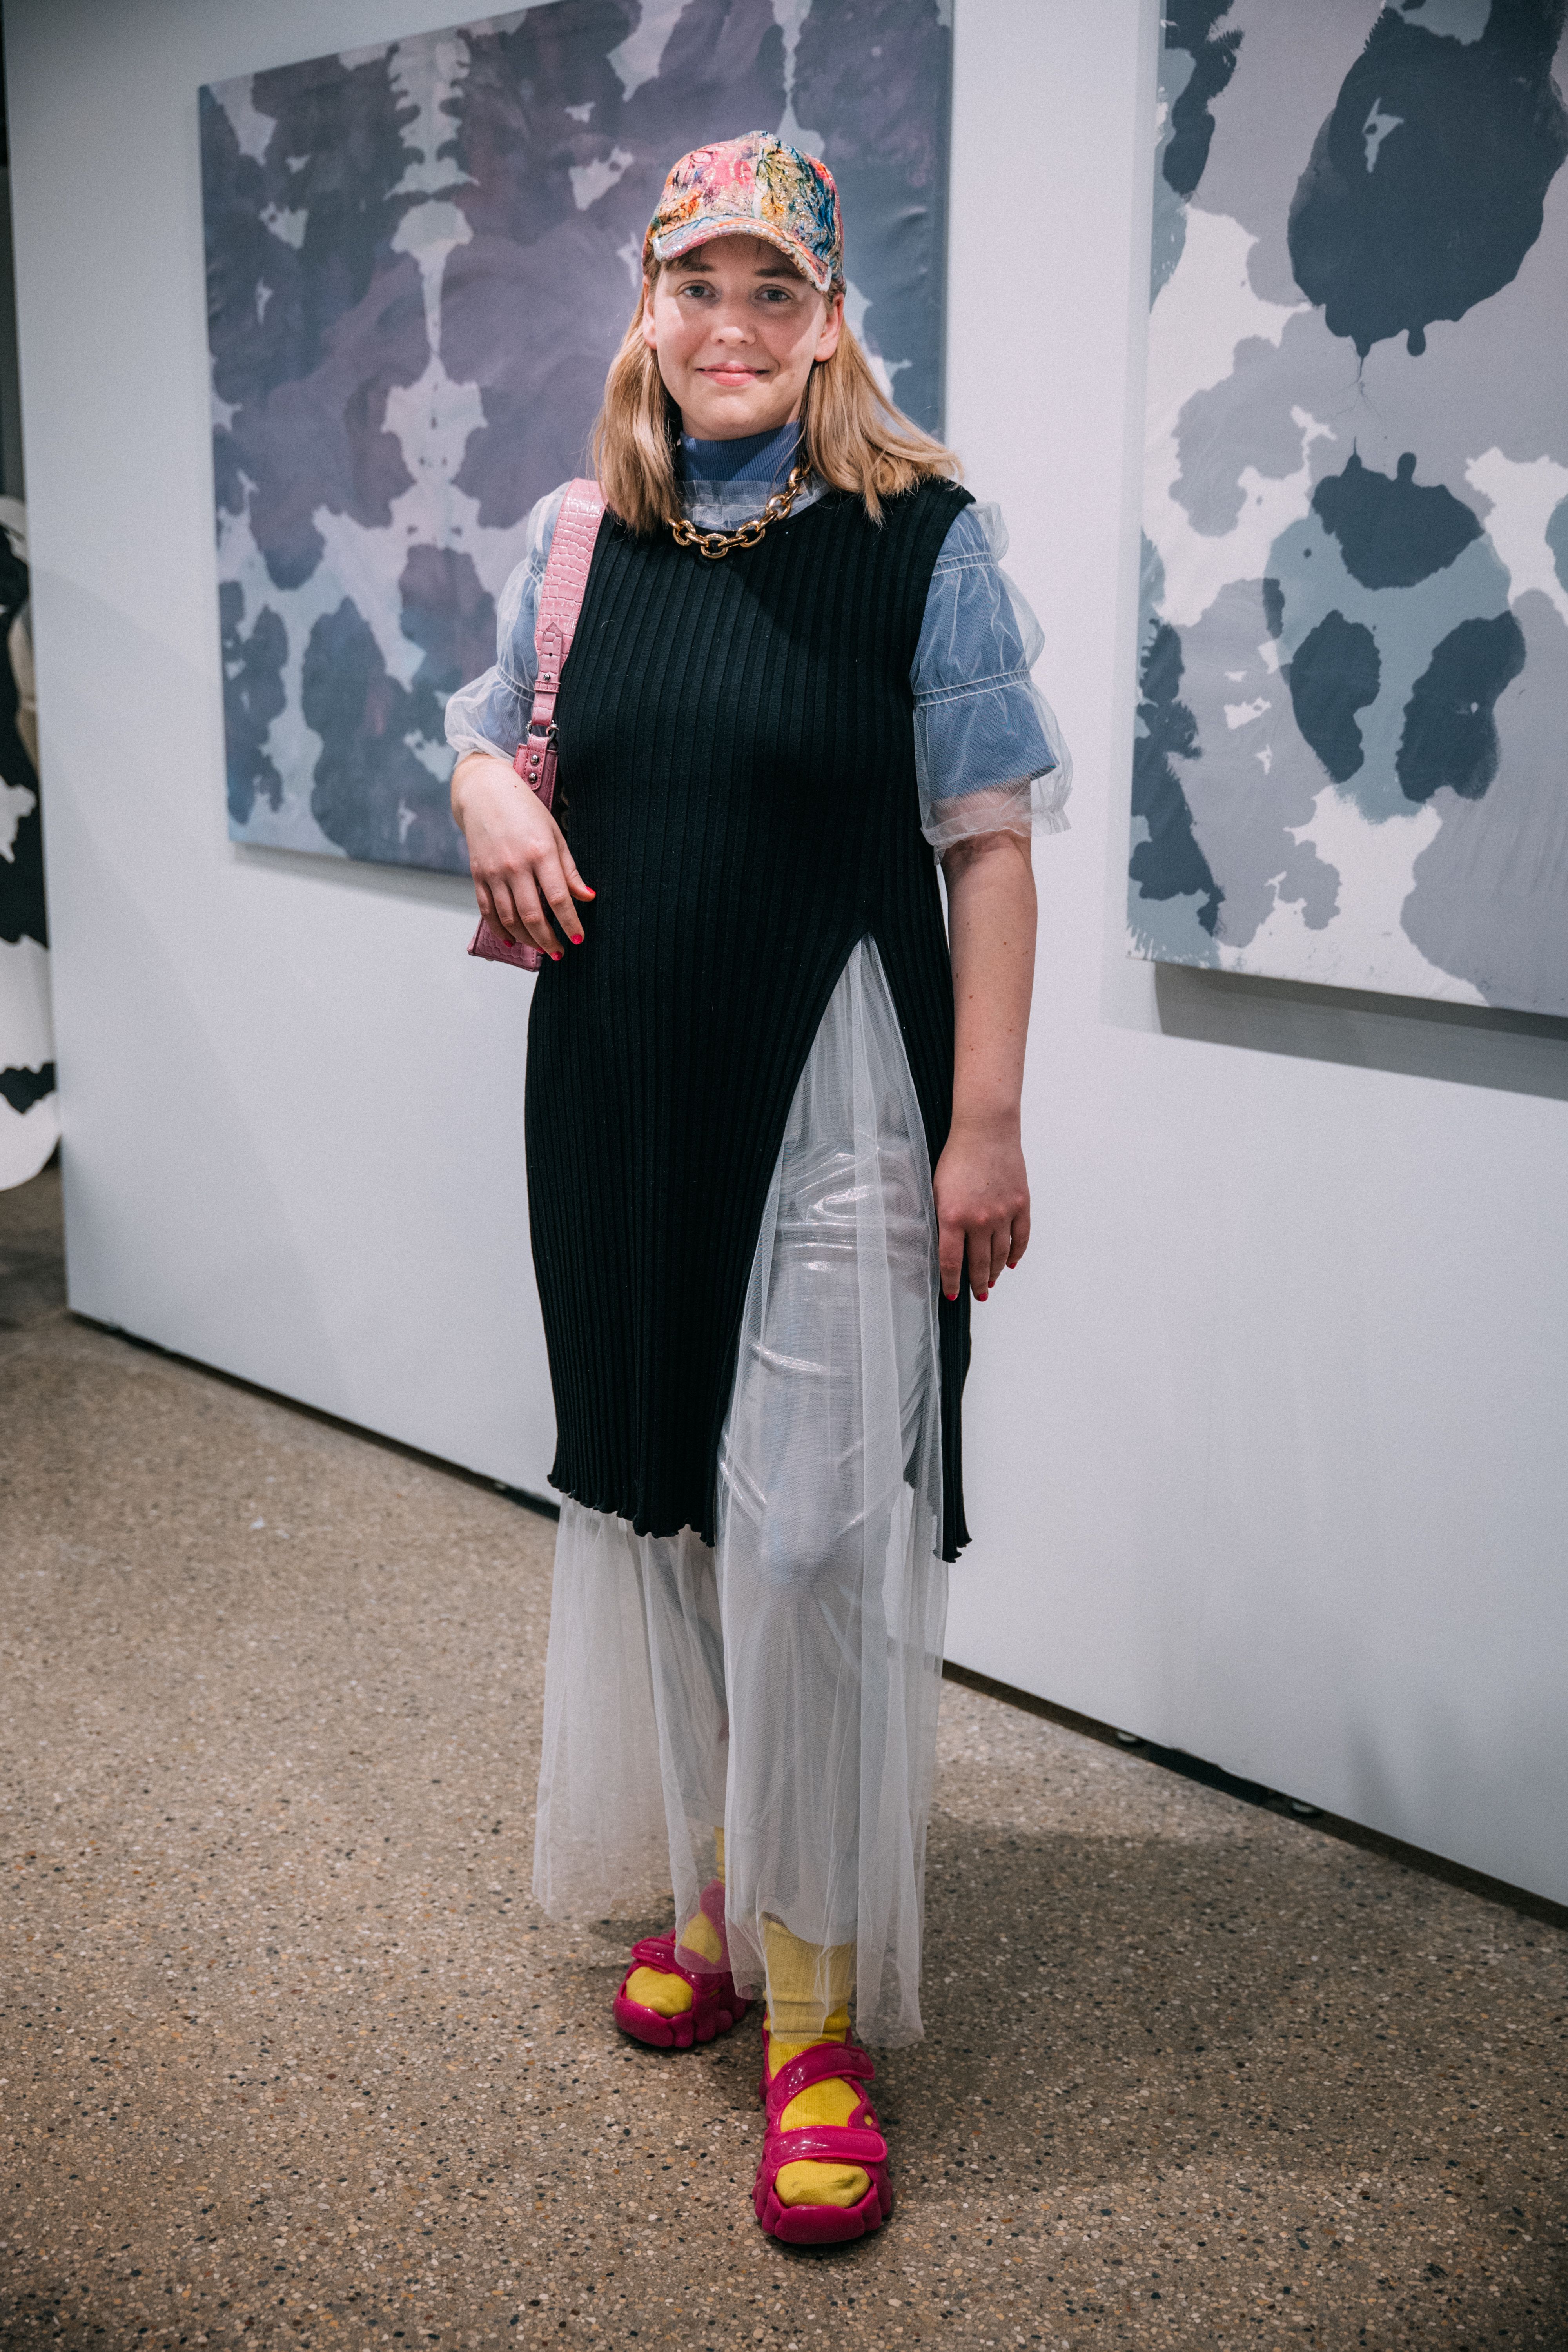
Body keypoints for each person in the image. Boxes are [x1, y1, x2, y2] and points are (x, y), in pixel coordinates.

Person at [446, 131, 1067, 2246]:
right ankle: (715, 1895)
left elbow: (987, 841)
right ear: (648, 308)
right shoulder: (569, 534)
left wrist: (989, 1122)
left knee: (805, 1546)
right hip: (617, 1097)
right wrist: (477, 796)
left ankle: (814, 2014)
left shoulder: (922, 535)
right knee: (664, 1513)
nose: (729, 328)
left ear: (825, 324)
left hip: (843, 1105)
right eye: (692, 289)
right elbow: (480, 727)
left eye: (770, 293)